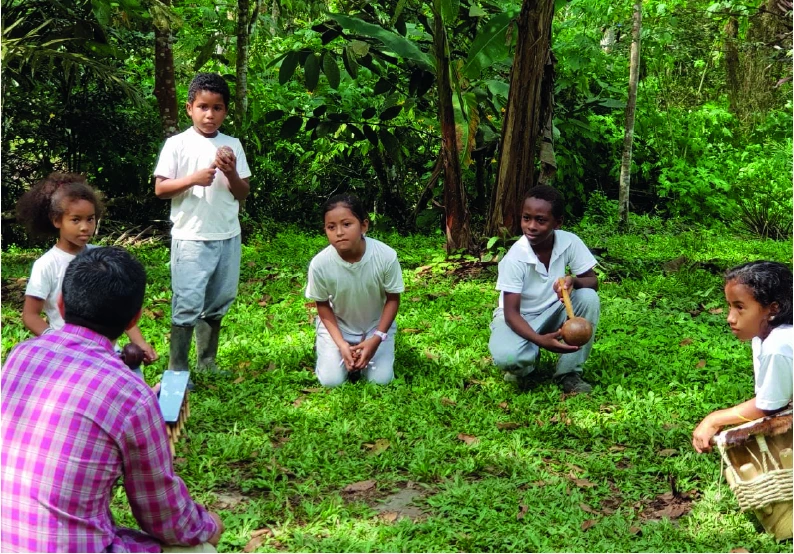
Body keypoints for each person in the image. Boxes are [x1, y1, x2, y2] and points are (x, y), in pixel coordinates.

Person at [1, 247, 224, 552]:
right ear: (135, 317)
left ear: (61, 305)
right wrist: (208, 524)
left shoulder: (20, 355)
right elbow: (164, 515)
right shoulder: (132, 394)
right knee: (198, 548)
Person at [154, 72, 251, 374]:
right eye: (203, 107)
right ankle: (178, 367)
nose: (210, 115)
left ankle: (207, 361)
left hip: (227, 235)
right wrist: (193, 179)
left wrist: (231, 173)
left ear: (225, 110)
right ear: (189, 108)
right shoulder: (177, 144)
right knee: (187, 301)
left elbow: (243, 192)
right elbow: (160, 188)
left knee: (219, 298)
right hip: (191, 236)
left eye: (217, 108)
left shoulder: (232, 145)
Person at [17, 172, 157, 362]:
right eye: (76, 220)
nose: (85, 227)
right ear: (57, 220)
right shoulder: (46, 265)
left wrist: (139, 342)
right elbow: (30, 315)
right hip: (66, 354)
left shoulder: (101, 258)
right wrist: (57, 341)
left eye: (90, 219)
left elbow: (118, 307)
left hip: (105, 351)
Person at [489, 185, 600, 394]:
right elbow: (511, 314)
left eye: (540, 220)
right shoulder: (515, 258)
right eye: (526, 218)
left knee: (588, 297)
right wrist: (540, 341)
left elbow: (593, 281)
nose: (531, 226)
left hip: (552, 311)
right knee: (508, 358)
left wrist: (573, 281)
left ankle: (569, 373)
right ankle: (526, 361)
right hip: (519, 319)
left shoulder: (569, 242)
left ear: (558, 222)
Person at [692, 261, 793, 453]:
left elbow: (771, 406)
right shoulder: (762, 337)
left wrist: (715, 419)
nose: (730, 317)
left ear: (773, 309)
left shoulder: (778, 345)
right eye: (729, 306)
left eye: (740, 307)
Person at [305, 193, 404, 387]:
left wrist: (377, 338)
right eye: (331, 227)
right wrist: (341, 344)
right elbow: (322, 304)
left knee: (380, 381)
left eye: (347, 224)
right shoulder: (320, 264)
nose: (339, 232)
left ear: (364, 226)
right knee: (331, 381)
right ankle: (329, 347)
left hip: (375, 328)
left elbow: (393, 298)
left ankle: (374, 345)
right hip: (338, 327)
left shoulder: (385, 256)